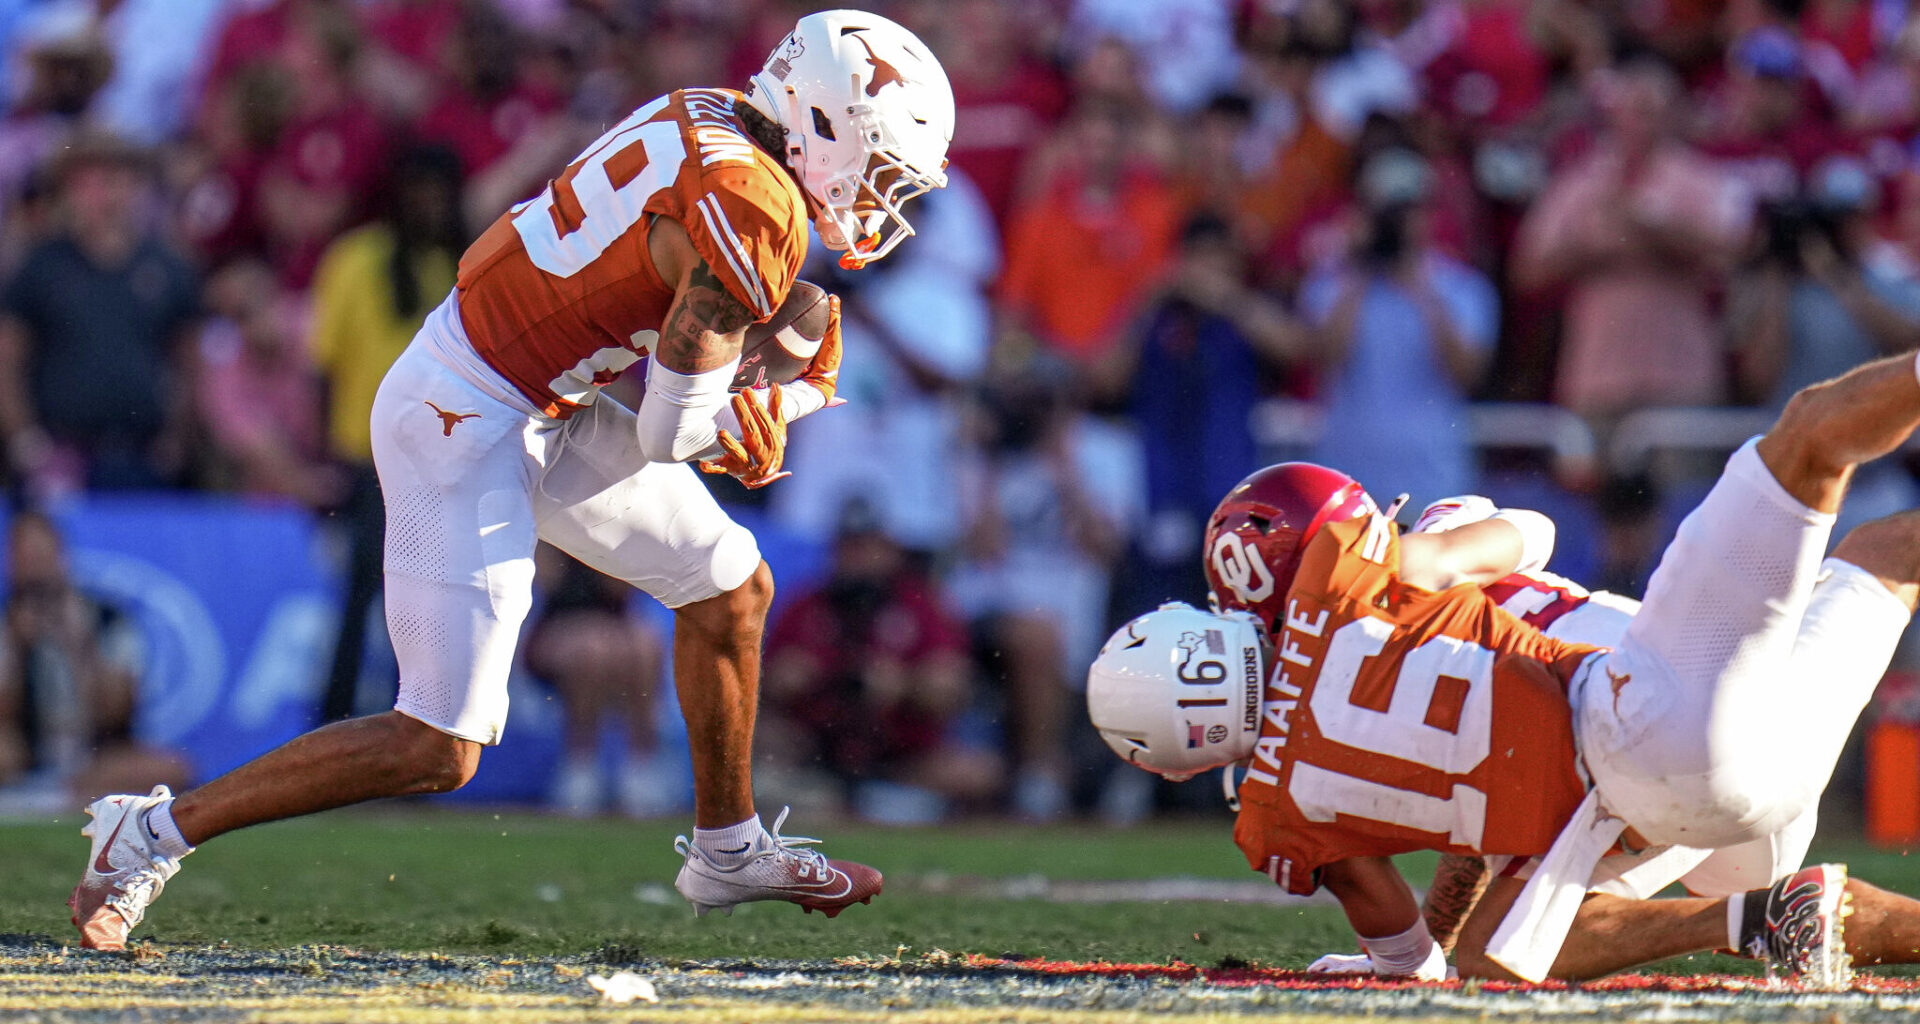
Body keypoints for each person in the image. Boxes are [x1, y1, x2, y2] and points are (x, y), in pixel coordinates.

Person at [69, 9, 955, 950]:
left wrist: (749, 373)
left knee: (732, 586)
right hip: (465, 412)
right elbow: (672, 434)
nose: (880, 196)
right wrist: (782, 406)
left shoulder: (720, 115)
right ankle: (147, 834)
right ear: (822, 121)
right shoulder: (756, 207)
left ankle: (727, 848)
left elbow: (642, 315)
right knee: (438, 747)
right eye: (880, 164)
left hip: (536, 393)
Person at [1091, 344, 1920, 987]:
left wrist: (1414, 952)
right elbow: (1527, 540)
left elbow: (1412, 931)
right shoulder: (1370, 576)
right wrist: (1411, 559)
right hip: (1655, 708)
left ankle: (1749, 919)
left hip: (1672, 805)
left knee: (1498, 946)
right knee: (1824, 462)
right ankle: (1754, 914)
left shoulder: (1272, 811)